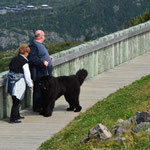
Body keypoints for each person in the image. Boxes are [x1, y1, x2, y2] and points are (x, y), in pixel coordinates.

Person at [28, 30, 53, 112]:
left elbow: (41, 55)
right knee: (38, 90)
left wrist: (48, 57)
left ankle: (42, 105)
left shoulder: (39, 45)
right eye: (44, 35)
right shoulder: (34, 45)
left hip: (44, 72)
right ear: (41, 36)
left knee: (43, 90)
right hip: (39, 73)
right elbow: (32, 58)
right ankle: (37, 107)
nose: (44, 37)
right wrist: (42, 62)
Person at [7, 44, 33, 123]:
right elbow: (27, 74)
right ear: (25, 52)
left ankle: (17, 115)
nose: (28, 54)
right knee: (17, 100)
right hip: (19, 82)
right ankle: (12, 118)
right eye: (28, 53)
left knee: (14, 98)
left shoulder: (14, 59)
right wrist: (30, 84)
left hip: (11, 81)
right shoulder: (24, 61)